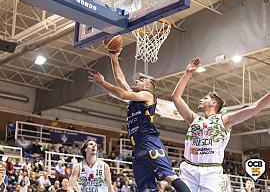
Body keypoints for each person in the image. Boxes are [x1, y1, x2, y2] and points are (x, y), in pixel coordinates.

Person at [88, 51, 190, 192]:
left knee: (170, 177)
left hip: (149, 143)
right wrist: (114, 58)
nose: (136, 81)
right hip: (137, 149)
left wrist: (103, 83)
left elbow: (122, 94)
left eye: (141, 81)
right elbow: (120, 79)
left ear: (148, 87)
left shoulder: (148, 95)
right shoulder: (135, 98)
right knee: (146, 189)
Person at [172, 58, 270, 192]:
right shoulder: (193, 119)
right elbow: (176, 97)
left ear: (214, 104)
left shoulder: (225, 120)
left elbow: (254, 108)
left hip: (211, 172)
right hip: (189, 168)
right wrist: (188, 73)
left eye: (205, 98)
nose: (201, 99)